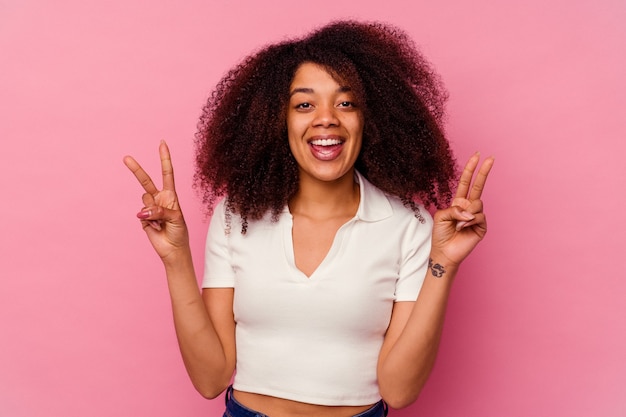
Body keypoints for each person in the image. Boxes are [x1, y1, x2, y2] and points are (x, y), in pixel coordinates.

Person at [124, 20, 493, 417]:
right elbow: (211, 378)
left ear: (371, 118)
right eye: (304, 104)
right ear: (276, 121)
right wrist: (176, 258)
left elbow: (400, 390)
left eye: (346, 103)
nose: (326, 118)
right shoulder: (236, 217)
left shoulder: (410, 225)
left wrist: (444, 264)